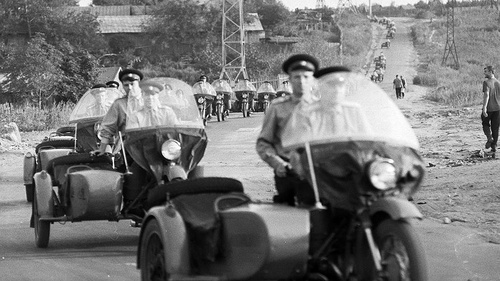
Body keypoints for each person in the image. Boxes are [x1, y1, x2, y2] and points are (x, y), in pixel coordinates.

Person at [256, 54, 319, 207]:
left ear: (312, 80)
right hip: (288, 171)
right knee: (289, 219)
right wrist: (278, 164)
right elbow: (264, 143)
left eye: (306, 77)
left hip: (318, 170)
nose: (302, 81)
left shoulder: (322, 108)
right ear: (289, 80)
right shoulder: (278, 107)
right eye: (297, 77)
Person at [95, 68, 146, 216]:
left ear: (139, 83)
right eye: (126, 85)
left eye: (132, 83)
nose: (129, 88)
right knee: (135, 168)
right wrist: (103, 148)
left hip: (153, 143)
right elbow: (108, 128)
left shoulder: (150, 99)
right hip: (130, 146)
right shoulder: (119, 105)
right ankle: (133, 202)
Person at [481, 65, 500, 152]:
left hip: (489, 108)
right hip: (498, 108)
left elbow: (486, 95)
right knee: (495, 127)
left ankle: (489, 137)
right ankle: (494, 146)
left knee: (485, 123)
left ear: (491, 72)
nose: (484, 73)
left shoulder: (486, 82)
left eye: (486, 71)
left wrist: (484, 108)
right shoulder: (498, 82)